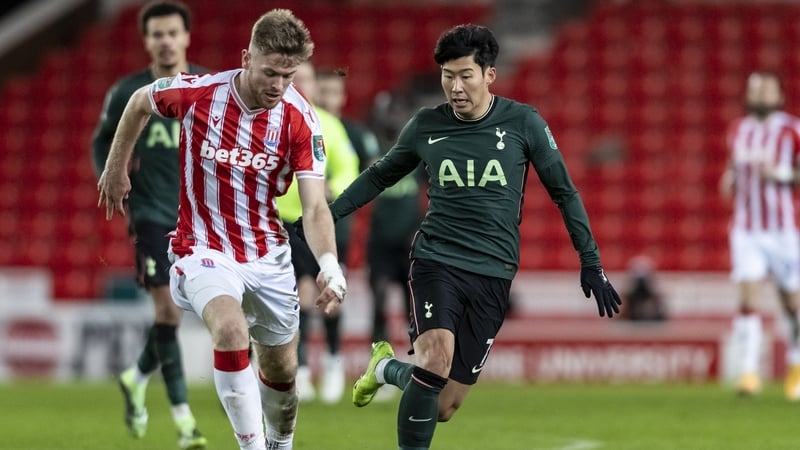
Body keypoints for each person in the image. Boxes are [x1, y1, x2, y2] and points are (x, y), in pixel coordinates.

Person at [324, 23, 621, 449]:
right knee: (434, 361)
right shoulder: (427, 125)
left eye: (465, 75)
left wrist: (591, 262)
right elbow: (379, 176)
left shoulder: (524, 123)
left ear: (489, 75)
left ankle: (386, 368)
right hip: (436, 261)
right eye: (448, 76)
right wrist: (326, 215)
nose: (456, 86)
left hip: (494, 271)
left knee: (442, 404)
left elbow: (564, 192)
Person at [97, 9, 346, 450]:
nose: (278, 85)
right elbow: (138, 102)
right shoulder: (199, 93)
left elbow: (315, 208)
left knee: (282, 372)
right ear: (247, 57)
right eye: (270, 72)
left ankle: (279, 444)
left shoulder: (300, 119)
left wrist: (330, 264)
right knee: (230, 331)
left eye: (288, 76)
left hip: (268, 253)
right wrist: (116, 168)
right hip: (202, 247)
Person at [90, 1, 208, 448]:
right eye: (156, 34)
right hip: (151, 214)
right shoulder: (127, 92)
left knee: (176, 314)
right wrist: (113, 172)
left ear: (185, 37)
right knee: (168, 310)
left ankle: (135, 376)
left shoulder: (205, 86)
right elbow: (102, 141)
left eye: (171, 32)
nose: (164, 40)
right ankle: (184, 423)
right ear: (146, 41)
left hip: (199, 217)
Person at [315, 72, 423, 346]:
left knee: (417, 307)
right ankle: (381, 364)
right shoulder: (372, 153)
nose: (392, 119)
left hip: (412, 241)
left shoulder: (417, 152)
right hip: (380, 242)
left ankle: (421, 363)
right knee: (380, 302)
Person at [276, 60, 359, 404]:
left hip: (322, 221)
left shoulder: (328, 125)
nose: (300, 85)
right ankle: (303, 370)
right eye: (294, 79)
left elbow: (348, 169)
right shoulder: (273, 121)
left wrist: (334, 188)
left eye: (306, 80)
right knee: (299, 297)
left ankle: (334, 362)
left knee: (328, 295)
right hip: (284, 222)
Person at [719, 71, 800, 399]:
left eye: (767, 91)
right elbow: (734, 166)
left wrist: (780, 174)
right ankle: (749, 373)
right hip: (746, 229)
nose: (761, 96)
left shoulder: (792, 130)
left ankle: (795, 368)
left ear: (779, 95)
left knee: (792, 305)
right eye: (756, 90)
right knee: (747, 298)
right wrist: (729, 178)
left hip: (783, 231)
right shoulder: (738, 129)